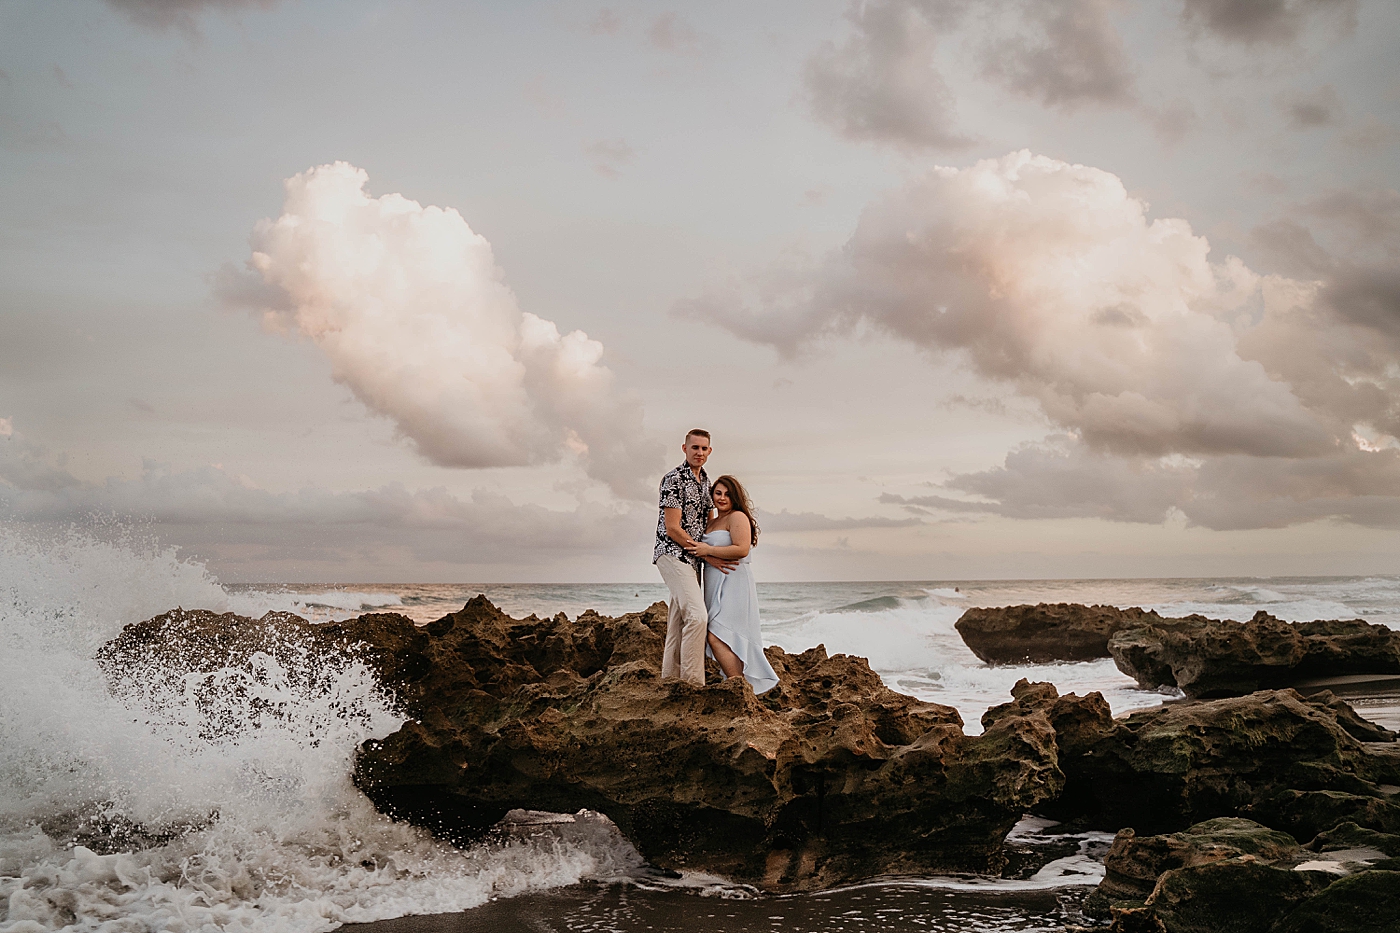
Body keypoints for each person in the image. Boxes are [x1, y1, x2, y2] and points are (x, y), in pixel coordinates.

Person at [654, 429, 735, 686]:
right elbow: (672, 528)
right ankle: (693, 684)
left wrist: (710, 553)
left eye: (704, 448)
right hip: (672, 554)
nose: (699, 452)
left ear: (709, 451)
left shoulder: (706, 483)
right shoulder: (673, 479)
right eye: (694, 448)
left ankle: (670, 680)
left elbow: (707, 524)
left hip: (693, 559)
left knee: (678, 620)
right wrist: (703, 552)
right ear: (684, 448)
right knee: (698, 616)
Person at [685, 475, 779, 695]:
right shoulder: (711, 521)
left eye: (727, 494)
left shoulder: (737, 517)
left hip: (734, 582)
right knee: (723, 637)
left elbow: (741, 548)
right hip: (713, 582)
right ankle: (742, 687)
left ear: (735, 497)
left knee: (718, 635)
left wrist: (708, 550)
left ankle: (738, 685)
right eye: (718, 493)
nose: (722, 498)